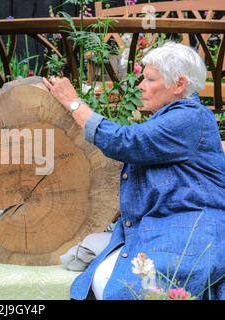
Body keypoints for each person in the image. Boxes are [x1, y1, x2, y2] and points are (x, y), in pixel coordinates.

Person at [43, 42, 225, 300]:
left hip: (190, 232)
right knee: (94, 285)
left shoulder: (189, 117)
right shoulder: (168, 118)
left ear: (179, 84)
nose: (140, 86)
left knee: (124, 288)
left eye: (150, 79)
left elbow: (127, 141)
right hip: (157, 230)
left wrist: (74, 103)